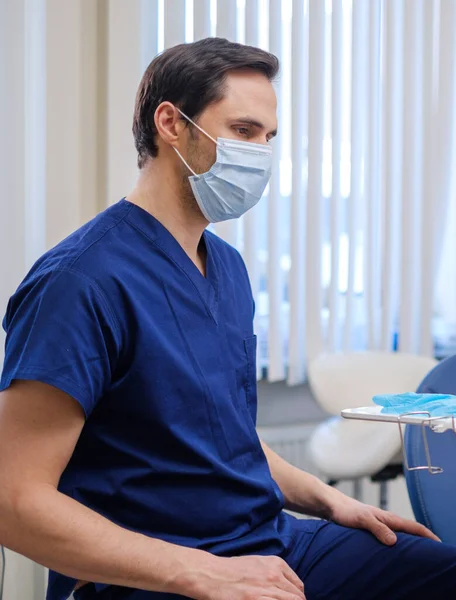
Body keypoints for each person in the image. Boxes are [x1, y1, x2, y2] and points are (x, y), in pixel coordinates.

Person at [0, 37, 455, 600]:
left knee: (440, 568)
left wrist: (329, 499)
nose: (260, 154)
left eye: (268, 138)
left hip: (269, 540)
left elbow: (223, 434)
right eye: (243, 132)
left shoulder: (229, 269)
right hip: (159, 570)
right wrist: (200, 572)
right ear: (170, 123)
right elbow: (15, 502)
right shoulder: (80, 281)